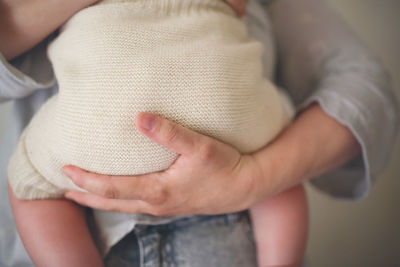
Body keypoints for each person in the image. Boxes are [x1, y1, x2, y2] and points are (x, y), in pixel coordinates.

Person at [0, 0, 398, 267]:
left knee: (28, 183)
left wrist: (249, 180)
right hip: (232, 141)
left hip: (96, 148)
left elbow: (367, 93)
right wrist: (259, 175)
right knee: (278, 156)